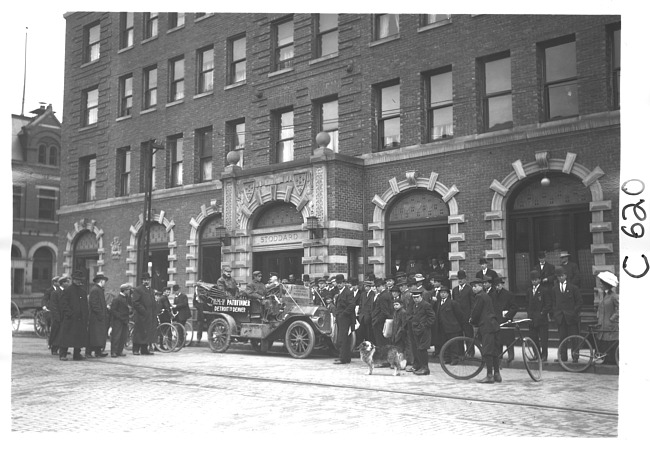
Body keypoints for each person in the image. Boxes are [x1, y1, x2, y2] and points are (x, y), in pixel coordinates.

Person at [469, 278, 501, 383]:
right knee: (494, 351)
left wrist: (472, 320)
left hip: (486, 326)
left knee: (487, 351)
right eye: (473, 287)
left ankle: (489, 375)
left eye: (475, 286)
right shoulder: (486, 295)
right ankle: (497, 374)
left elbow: (476, 311)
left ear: (481, 286)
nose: (474, 288)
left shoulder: (479, 296)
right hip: (493, 325)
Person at [552, 267, 583, 363]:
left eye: (562, 276)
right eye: (558, 276)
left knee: (574, 337)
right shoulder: (555, 289)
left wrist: (574, 312)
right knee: (562, 337)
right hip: (561, 317)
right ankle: (563, 357)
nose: (560, 278)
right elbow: (553, 302)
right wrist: (555, 313)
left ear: (565, 275)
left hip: (572, 317)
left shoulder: (573, 288)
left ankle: (575, 356)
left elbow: (579, 302)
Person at [58, 270, 90, 361]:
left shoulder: (83, 292)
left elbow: (85, 305)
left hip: (80, 319)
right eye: (76, 279)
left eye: (79, 280)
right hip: (70, 319)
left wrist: (85, 315)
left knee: (79, 338)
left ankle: (77, 354)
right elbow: (63, 304)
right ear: (73, 280)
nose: (78, 281)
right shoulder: (68, 290)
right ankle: (63, 354)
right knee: (66, 337)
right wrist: (69, 313)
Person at [526, 270, 551, 362]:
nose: (534, 282)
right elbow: (527, 303)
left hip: (541, 319)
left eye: (536, 280)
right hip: (532, 318)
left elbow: (548, 304)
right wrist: (529, 313)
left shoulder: (544, 290)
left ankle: (544, 355)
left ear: (539, 280)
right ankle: (536, 354)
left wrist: (542, 313)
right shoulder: (529, 290)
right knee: (533, 338)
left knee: (543, 338)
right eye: (532, 280)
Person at [409, 288, 436, 375]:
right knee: (418, 349)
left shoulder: (426, 305)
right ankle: (420, 366)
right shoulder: (415, 305)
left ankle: (425, 368)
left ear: (421, 296)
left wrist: (425, 326)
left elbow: (432, 317)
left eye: (417, 297)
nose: (415, 299)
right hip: (417, 330)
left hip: (424, 331)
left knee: (423, 348)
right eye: (414, 298)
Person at [436, 285, 465, 364]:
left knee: (453, 344)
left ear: (448, 294)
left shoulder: (453, 303)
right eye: (441, 293)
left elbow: (459, 315)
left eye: (445, 293)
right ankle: (447, 358)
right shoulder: (439, 303)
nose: (443, 294)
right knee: (445, 343)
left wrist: (457, 325)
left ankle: (455, 359)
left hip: (452, 327)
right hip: (443, 327)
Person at [492, 277, 518, 364]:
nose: (497, 287)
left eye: (499, 285)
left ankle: (511, 355)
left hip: (506, 320)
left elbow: (514, 307)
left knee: (509, 338)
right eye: (496, 285)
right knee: (498, 338)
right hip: (497, 320)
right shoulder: (493, 295)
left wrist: (508, 315)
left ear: (502, 285)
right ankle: (499, 354)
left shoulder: (509, 294)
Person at [595, 271, 619, 364]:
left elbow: (620, 309)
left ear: (606, 284)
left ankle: (611, 361)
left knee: (610, 341)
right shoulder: (602, 295)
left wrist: (613, 318)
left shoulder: (614, 296)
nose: (600, 284)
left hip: (610, 324)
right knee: (603, 341)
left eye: (602, 283)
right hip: (602, 323)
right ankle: (604, 359)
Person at [131, 272, 157, 355]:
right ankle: (135, 349)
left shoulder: (151, 290)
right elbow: (135, 302)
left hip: (149, 316)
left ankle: (144, 349)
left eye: (148, 280)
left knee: (147, 332)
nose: (147, 281)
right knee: (139, 332)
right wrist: (143, 311)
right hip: (141, 316)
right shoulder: (138, 289)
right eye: (145, 280)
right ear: (142, 281)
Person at [333, 274, 355, 364]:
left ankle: (343, 358)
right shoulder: (340, 292)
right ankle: (346, 358)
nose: (339, 284)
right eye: (338, 283)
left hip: (345, 318)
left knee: (343, 338)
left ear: (344, 283)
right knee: (343, 337)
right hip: (340, 317)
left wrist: (343, 314)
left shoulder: (348, 292)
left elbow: (351, 305)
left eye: (341, 283)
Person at [452, 270, 474, 354]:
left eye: (462, 278)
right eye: (459, 279)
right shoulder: (455, 290)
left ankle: (470, 352)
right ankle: (460, 353)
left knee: (468, 335)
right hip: (457, 318)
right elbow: (453, 303)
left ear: (465, 279)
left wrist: (471, 316)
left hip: (467, 317)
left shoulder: (469, 289)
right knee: (459, 336)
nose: (460, 280)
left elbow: (472, 304)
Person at [87, 274, 110, 358]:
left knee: (98, 336)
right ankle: (89, 352)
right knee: (94, 335)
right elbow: (94, 304)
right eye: (104, 281)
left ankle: (98, 351)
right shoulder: (95, 290)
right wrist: (100, 313)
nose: (105, 283)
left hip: (99, 316)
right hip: (96, 317)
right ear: (101, 281)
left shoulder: (98, 289)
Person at [49, 275, 70, 356]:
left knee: (62, 333)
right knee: (56, 332)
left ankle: (62, 348)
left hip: (64, 317)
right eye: (67, 282)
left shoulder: (66, 292)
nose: (68, 284)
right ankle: (54, 348)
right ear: (63, 283)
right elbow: (53, 306)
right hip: (57, 317)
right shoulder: (55, 293)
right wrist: (57, 317)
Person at [110, 283, 132, 357]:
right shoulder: (117, 298)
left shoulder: (126, 298)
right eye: (128, 290)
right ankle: (114, 351)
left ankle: (119, 351)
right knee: (116, 336)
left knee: (123, 336)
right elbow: (113, 310)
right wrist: (120, 317)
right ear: (124, 290)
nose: (129, 291)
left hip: (124, 320)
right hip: (118, 321)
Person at [371, 278, 393, 348]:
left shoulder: (382, 296)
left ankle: (382, 357)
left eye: (378, 286)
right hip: (383, 321)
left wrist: (376, 321)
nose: (377, 288)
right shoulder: (387, 294)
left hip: (380, 322)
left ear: (383, 286)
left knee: (381, 342)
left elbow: (384, 311)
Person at [42, 276, 59, 347]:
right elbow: (45, 299)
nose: (59, 283)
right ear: (54, 282)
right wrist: (44, 306)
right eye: (58, 282)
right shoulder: (49, 290)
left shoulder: (61, 290)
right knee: (49, 327)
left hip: (58, 310)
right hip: (50, 310)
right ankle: (50, 343)